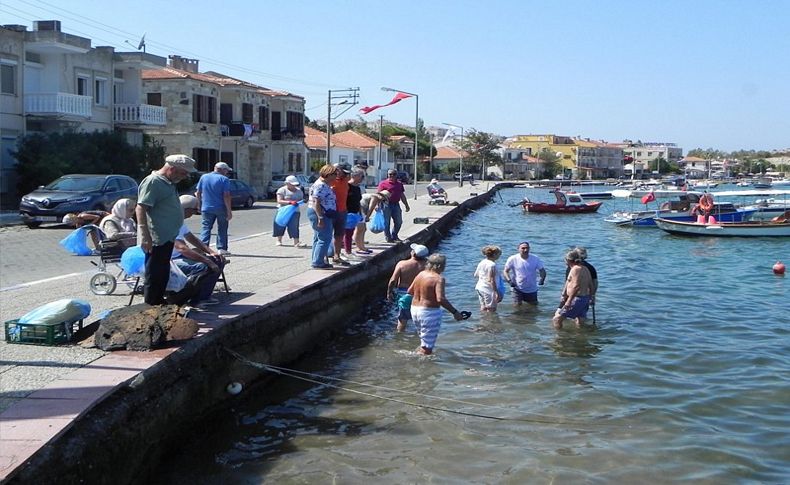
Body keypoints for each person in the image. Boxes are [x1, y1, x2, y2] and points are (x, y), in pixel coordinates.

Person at [137, 154, 196, 305]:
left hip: (167, 236)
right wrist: (145, 235)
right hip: (156, 238)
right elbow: (141, 208)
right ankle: (151, 305)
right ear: (172, 169)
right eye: (183, 173)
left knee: (162, 274)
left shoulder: (169, 182)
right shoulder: (153, 182)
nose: (184, 177)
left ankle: (158, 302)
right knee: (154, 274)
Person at [171, 195, 226, 309]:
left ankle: (204, 296)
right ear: (186, 209)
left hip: (179, 255)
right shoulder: (171, 223)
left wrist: (211, 252)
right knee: (203, 266)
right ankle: (195, 299)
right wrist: (207, 260)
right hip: (171, 261)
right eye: (195, 210)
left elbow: (192, 238)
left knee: (218, 260)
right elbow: (182, 248)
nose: (195, 213)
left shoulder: (180, 222)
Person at [408, 253, 464, 355]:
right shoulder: (438, 279)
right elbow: (440, 299)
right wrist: (455, 312)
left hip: (415, 309)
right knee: (428, 347)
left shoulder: (421, 274)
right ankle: (424, 367)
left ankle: (419, 356)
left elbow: (410, 291)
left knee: (423, 340)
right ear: (439, 266)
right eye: (444, 265)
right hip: (429, 312)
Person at [387, 243, 429, 332]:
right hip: (420, 295)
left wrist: (389, 292)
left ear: (413, 253)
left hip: (404, 294)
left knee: (402, 321)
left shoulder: (402, 264)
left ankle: (399, 339)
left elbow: (393, 280)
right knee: (421, 320)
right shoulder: (428, 266)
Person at [196, 161, 233, 256]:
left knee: (206, 227)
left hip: (206, 207)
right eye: (226, 171)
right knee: (222, 228)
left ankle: (203, 247)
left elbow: (198, 192)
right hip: (220, 207)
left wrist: (198, 204)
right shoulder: (224, 179)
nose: (227, 173)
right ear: (222, 170)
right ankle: (221, 248)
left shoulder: (204, 177)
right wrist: (229, 210)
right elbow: (226, 195)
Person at [307, 164, 338, 269]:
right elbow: (316, 202)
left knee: (318, 237)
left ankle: (316, 260)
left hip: (320, 212)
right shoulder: (321, 185)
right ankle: (318, 262)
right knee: (325, 238)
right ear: (328, 174)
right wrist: (320, 218)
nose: (336, 177)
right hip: (321, 213)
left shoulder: (323, 184)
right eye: (334, 174)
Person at [553, 249, 594, 329]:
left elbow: (576, 286)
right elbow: (591, 284)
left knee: (557, 319)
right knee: (580, 321)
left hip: (577, 299)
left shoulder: (575, 269)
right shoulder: (585, 268)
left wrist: (568, 301)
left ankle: (559, 339)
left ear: (568, 260)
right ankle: (579, 337)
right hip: (585, 298)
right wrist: (591, 297)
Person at [503, 241, 546, 307]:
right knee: (517, 306)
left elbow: (542, 270)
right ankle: (517, 317)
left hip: (532, 288)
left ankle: (528, 317)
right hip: (517, 288)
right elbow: (505, 271)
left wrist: (542, 279)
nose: (525, 250)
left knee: (533, 307)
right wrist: (509, 281)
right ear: (518, 249)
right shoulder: (513, 258)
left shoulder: (535, 258)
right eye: (523, 248)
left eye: (527, 248)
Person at [377, 169, 410, 243]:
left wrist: (406, 205)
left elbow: (402, 195)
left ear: (396, 175)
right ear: (387, 175)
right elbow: (378, 195)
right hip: (386, 204)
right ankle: (388, 238)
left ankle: (394, 235)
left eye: (393, 174)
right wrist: (377, 205)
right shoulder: (383, 183)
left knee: (399, 221)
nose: (392, 175)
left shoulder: (399, 184)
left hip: (396, 204)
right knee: (386, 222)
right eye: (390, 174)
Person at [273, 175, 306, 247]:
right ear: (287, 183)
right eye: (292, 184)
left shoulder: (299, 191)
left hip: (295, 211)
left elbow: (301, 199)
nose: (294, 186)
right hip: (283, 211)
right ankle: (279, 240)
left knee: (294, 226)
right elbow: (279, 201)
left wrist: (302, 201)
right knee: (280, 225)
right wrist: (289, 202)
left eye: (295, 184)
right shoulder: (282, 190)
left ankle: (296, 242)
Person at [329, 163, 351, 265]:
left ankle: (337, 255)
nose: (345, 175)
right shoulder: (330, 181)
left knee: (339, 234)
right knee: (327, 235)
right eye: (344, 172)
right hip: (331, 211)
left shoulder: (345, 180)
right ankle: (325, 256)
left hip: (342, 210)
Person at [356, 189, 390, 254]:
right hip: (359, 210)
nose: (383, 200)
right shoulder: (375, 197)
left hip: (360, 210)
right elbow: (370, 208)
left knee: (362, 229)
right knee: (360, 229)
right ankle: (359, 247)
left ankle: (362, 245)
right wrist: (367, 217)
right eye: (384, 199)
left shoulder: (374, 196)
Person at [343, 168, 365, 258]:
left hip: (355, 213)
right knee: (347, 233)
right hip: (347, 212)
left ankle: (349, 250)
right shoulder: (347, 186)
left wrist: (360, 213)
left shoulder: (357, 188)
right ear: (355, 176)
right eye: (361, 176)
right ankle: (347, 251)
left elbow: (358, 201)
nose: (362, 179)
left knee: (351, 232)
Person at [474, 245, 502, 312]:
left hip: (480, 288)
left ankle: (483, 321)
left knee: (483, 307)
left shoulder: (482, 262)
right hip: (488, 289)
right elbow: (491, 280)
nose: (500, 256)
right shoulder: (492, 265)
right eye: (499, 254)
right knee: (491, 309)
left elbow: (475, 275)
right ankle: (490, 322)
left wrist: (483, 277)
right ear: (495, 254)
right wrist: (496, 292)